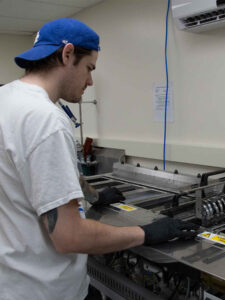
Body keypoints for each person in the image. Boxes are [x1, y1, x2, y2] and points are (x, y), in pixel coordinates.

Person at [0, 18, 198, 300]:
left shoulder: (6, 98)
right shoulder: (45, 120)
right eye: (89, 68)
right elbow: (69, 236)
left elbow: (36, 174)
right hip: (46, 290)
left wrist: (93, 195)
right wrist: (145, 233)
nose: (90, 81)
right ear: (67, 54)